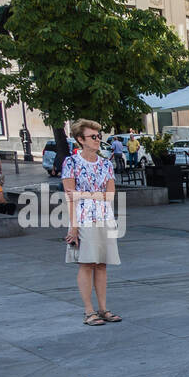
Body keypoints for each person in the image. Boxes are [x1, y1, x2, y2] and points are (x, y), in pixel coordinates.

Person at [61, 119, 121, 326]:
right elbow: (70, 197)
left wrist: (83, 194)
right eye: (93, 137)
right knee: (87, 264)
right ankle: (89, 311)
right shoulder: (71, 162)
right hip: (84, 219)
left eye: (98, 136)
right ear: (80, 140)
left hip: (105, 217)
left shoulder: (106, 163)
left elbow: (111, 195)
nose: (97, 140)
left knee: (102, 264)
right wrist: (74, 227)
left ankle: (103, 308)